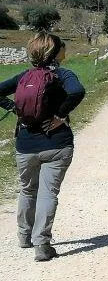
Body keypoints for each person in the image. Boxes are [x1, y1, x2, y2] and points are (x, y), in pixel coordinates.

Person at [0, 33, 85, 262]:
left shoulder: (24, 76)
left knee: (27, 189)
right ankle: (42, 245)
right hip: (57, 143)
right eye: (62, 48)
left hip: (25, 145)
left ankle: (24, 236)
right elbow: (77, 91)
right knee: (48, 192)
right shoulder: (63, 74)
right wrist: (59, 114)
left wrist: (15, 108)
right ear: (55, 52)